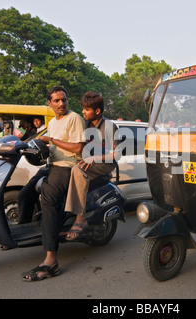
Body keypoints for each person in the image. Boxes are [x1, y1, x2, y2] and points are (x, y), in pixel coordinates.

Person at [21, 86, 86, 282]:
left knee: (47, 200)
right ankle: (25, 233)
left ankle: (51, 261)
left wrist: (52, 140)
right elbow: (45, 142)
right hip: (51, 165)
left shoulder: (74, 118)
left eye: (63, 100)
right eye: (56, 101)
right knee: (25, 193)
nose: (61, 103)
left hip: (67, 167)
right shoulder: (52, 122)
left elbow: (77, 147)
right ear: (49, 103)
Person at [64, 91, 121, 241]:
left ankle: (80, 218)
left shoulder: (109, 126)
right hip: (89, 160)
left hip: (105, 163)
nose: (83, 112)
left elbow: (117, 154)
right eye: (82, 108)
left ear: (97, 111)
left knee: (78, 170)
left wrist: (95, 158)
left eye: (86, 109)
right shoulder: (84, 124)